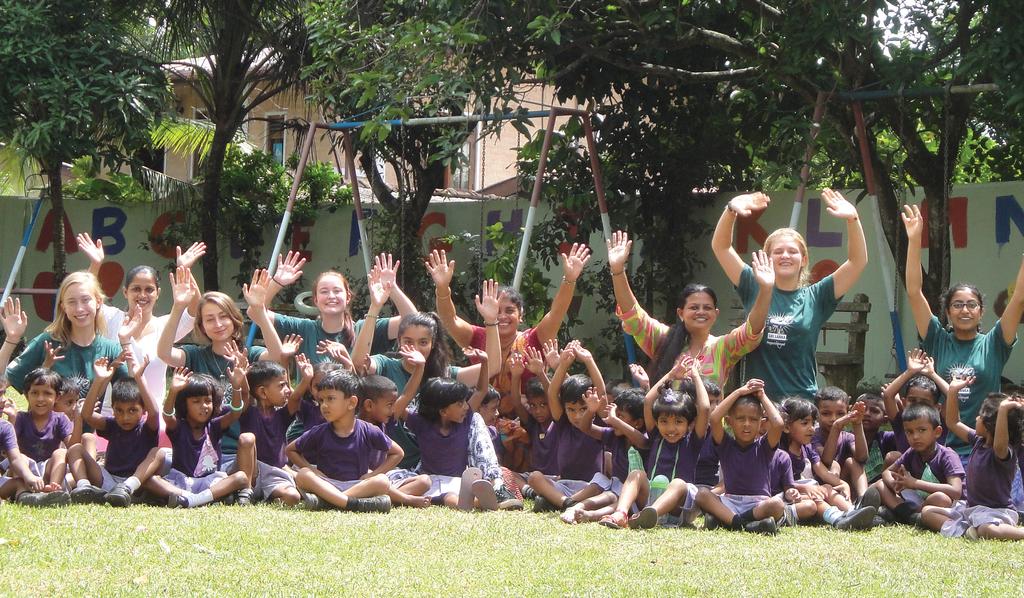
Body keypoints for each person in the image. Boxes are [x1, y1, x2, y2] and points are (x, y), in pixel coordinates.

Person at [712, 189, 868, 400]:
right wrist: (731, 210)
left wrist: (853, 218)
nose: (785, 256)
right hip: (758, 401)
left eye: (792, 251)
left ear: (803, 260)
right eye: (778, 252)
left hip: (801, 402)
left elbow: (857, 262)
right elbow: (721, 248)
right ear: (768, 258)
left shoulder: (818, 296)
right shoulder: (753, 283)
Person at [901, 203, 1024, 457]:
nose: (964, 310)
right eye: (957, 305)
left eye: (971, 305)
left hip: (984, 446)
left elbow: (1019, 300)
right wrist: (914, 240)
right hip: (939, 449)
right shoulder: (937, 338)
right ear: (947, 312)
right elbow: (914, 292)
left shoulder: (994, 343)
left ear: (981, 312)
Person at [351, 278, 501, 470]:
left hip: (431, 466)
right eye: (408, 342)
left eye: (423, 342)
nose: (415, 348)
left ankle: (493, 481)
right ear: (398, 341)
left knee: (476, 419)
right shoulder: (385, 365)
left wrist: (491, 321)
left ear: (432, 343)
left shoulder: (444, 376)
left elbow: (493, 367)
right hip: (392, 464)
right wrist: (374, 307)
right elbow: (357, 363)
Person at [607, 230, 773, 388]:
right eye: (694, 307)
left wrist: (765, 289)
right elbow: (633, 316)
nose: (701, 311)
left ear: (715, 314)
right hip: (667, 417)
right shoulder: (663, 338)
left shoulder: (723, 348)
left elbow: (752, 330)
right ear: (681, 313)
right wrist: (617, 270)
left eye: (707, 308)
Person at [426, 244, 591, 397]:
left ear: (521, 315)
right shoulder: (476, 337)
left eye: (510, 310)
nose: (502, 316)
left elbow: (557, 312)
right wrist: (442, 288)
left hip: (531, 421)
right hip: (481, 420)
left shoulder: (535, 338)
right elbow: (449, 319)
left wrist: (569, 279)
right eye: (496, 311)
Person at [77, 233, 205, 401]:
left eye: (149, 289)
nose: (142, 295)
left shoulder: (166, 326)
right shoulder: (111, 318)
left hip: (151, 418)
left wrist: (185, 269)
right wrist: (95, 264)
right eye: (136, 289)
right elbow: (87, 298)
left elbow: (195, 311)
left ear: (158, 293)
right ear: (125, 292)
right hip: (111, 415)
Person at [392, 351, 510, 510]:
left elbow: (481, 391)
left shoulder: (465, 419)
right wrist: (419, 368)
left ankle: (482, 501)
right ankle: (480, 502)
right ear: (443, 411)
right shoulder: (421, 423)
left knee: (451, 499)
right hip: (429, 481)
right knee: (439, 495)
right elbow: (401, 403)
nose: (466, 406)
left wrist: (485, 363)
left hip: (455, 482)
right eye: (460, 403)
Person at [600, 357, 708, 530]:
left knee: (678, 483)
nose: (671, 428)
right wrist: (672, 374)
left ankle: (650, 514)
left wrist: (695, 375)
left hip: (678, 508)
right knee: (637, 473)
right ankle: (620, 514)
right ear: (657, 423)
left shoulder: (692, 441)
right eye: (664, 421)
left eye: (678, 422)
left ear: (690, 424)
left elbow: (704, 409)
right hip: (651, 496)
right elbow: (649, 401)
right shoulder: (656, 436)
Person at [261, 251, 413, 365]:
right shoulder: (303, 329)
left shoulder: (365, 328)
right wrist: (276, 283)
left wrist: (392, 289)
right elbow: (257, 312)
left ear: (348, 297)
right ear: (315, 299)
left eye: (337, 290)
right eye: (324, 291)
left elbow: (413, 321)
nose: (331, 296)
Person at [921, 377, 1024, 540]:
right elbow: (953, 423)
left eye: (980, 416)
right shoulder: (978, 441)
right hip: (971, 510)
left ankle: (1017, 533)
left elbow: (999, 445)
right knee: (927, 512)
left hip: (995, 513)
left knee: (986, 530)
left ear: (991, 425)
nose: (976, 418)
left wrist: (1003, 410)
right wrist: (953, 391)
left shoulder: (1003, 453)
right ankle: (967, 531)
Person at [285, 370, 394, 512]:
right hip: (327, 484)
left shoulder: (368, 430)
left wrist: (373, 474)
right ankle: (349, 503)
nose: (324, 405)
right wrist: (313, 470)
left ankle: (331, 501)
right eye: (321, 400)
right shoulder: (320, 431)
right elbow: (290, 450)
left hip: (357, 485)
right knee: (303, 474)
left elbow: (397, 453)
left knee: (382, 481)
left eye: (330, 399)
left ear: (352, 402)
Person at [67, 352, 166, 505]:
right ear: (113, 409)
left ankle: (127, 488)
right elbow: (87, 414)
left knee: (158, 452)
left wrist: (140, 379)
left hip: (136, 484)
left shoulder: (147, 428)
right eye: (119, 410)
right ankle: (85, 488)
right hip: (108, 480)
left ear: (143, 410)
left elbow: (155, 412)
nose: (125, 417)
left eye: (132, 410)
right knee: (75, 449)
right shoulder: (112, 425)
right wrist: (99, 380)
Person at [5, 272, 128, 395]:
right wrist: (11, 339)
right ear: (63, 307)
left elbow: (133, 396)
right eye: (71, 302)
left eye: (85, 300)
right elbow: (3, 381)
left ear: (98, 302)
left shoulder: (111, 349)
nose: (79, 308)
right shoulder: (47, 342)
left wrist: (126, 343)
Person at [144, 367, 251, 508]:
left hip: (211, 482)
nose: (204, 406)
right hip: (181, 482)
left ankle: (192, 501)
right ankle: (197, 498)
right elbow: (167, 415)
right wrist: (173, 391)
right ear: (184, 404)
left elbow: (235, 412)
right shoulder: (178, 427)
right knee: (149, 480)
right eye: (196, 401)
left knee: (241, 477)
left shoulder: (215, 426)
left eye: (208, 401)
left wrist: (236, 387)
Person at [526, 341, 611, 513]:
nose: (577, 415)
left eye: (583, 409)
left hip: (590, 487)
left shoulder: (597, 423)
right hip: (563, 486)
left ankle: (556, 502)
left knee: (602, 479)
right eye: (571, 410)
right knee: (535, 477)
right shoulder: (563, 423)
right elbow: (551, 392)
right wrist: (563, 364)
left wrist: (589, 360)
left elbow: (601, 393)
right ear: (564, 408)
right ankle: (566, 503)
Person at [694, 378, 785, 534]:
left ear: (761, 423)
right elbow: (715, 418)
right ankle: (744, 524)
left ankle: (727, 521)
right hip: (730, 501)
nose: (747, 424)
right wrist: (739, 392)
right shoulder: (725, 444)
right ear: (729, 421)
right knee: (702, 494)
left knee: (777, 505)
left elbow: (778, 424)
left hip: (758, 504)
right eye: (741, 419)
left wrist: (762, 396)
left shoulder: (764, 447)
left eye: (753, 420)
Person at [779, 397, 878, 529]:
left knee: (828, 488)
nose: (811, 429)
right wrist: (806, 488)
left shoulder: (806, 447)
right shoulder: (779, 452)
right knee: (816, 498)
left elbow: (822, 471)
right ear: (786, 427)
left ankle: (854, 511)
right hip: (787, 494)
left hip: (805, 489)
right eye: (804, 423)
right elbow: (778, 483)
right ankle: (838, 519)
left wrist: (842, 484)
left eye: (813, 423)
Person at [873, 403, 963, 525]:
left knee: (941, 498)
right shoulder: (912, 452)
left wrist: (915, 483)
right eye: (909, 432)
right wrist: (895, 484)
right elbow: (887, 472)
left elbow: (956, 491)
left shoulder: (947, 456)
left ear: (937, 432)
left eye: (922, 430)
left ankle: (900, 515)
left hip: (942, 505)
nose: (915, 437)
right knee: (880, 484)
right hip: (917, 500)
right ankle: (912, 517)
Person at [356, 374, 432, 508]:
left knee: (425, 481)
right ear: (369, 405)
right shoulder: (356, 427)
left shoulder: (384, 421)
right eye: (389, 405)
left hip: (380, 477)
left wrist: (419, 368)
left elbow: (407, 395)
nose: (393, 410)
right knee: (374, 479)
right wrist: (373, 475)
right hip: (361, 478)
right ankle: (405, 499)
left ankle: (380, 499)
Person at [234, 360, 302, 505]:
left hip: (274, 474)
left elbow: (295, 399)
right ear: (263, 392)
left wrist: (287, 358)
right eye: (281, 386)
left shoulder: (282, 415)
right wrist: (242, 378)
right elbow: (245, 394)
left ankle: (266, 497)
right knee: (247, 438)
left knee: (293, 497)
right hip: (250, 470)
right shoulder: (248, 411)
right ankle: (245, 491)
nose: (288, 390)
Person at [5, 368, 72, 505]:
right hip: (23, 472)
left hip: (47, 472)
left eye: (47, 393)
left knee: (61, 452)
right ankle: (25, 492)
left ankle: (54, 489)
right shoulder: (21, 418)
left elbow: (73, 446)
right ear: (26, 395)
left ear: (57, 397)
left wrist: (78, 418)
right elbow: (9, 447)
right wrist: (12, 418)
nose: (40, 399)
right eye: (34, 393)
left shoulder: (60, 419)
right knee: (20, 457)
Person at [812, 386, 867, 499]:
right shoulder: (812, 436)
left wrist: (857, 424)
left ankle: (864, 499)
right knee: (834, 464)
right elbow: (826, 461)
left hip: (844, 486)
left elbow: (862, 458)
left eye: (840, 414)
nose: (834, 418)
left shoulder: (847, 437)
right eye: (826, 413)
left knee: (853, 462)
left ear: (848, 412)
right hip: (822, 487)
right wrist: (836, 427)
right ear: (816, 414)